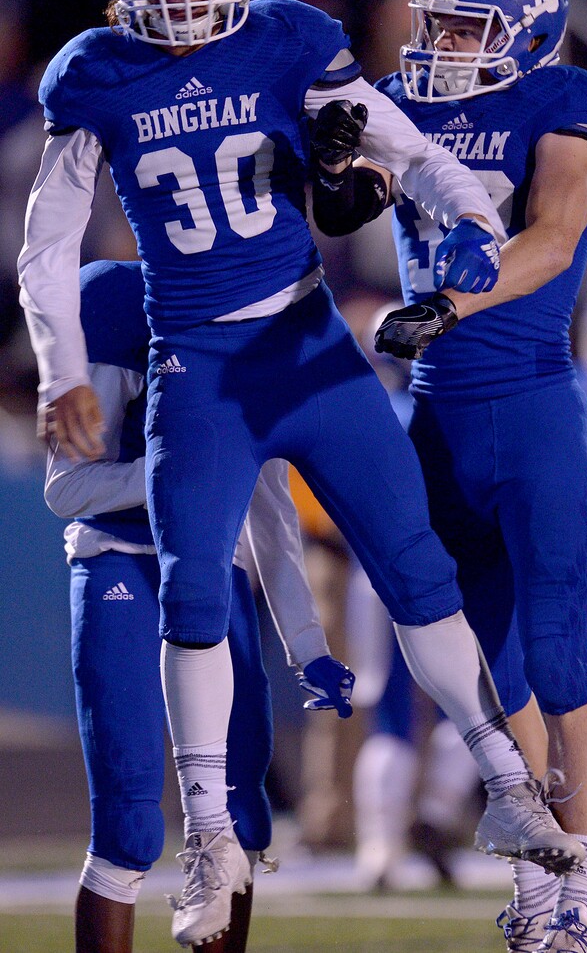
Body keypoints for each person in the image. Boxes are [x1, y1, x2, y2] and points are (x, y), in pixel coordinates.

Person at [18, 0, 584, 944]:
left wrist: (470, 220)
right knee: (190, 588)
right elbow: (45, 249)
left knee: (417, 567)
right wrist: (61, 371)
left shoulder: (287, 36)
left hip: (307, 345)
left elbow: (409, 151)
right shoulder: (92, 70)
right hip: (199, 361)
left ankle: (504, 778)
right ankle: (210, 838)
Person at [310, 0, 587, 953]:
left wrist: (446, 299)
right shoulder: (400, 93)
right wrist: (330, 173)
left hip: (530, 408)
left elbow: (553, 234)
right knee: (480, 677)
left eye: (465, 26)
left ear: (527, 34)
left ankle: (581, 892)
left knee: (560, 661)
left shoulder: (565, 102)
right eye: (435, 19)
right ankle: (543, 872)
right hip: (434, 416)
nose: (439, 41)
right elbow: (340, 192)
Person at [46, 257, 356, 953]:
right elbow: (67, 488)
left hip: (214, 576)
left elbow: (271, 510)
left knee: (243, 814)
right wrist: (178, 469)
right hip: (119, 562)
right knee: (127, 822)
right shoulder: (120, 301)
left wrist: (306, 642)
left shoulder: (261, 314)